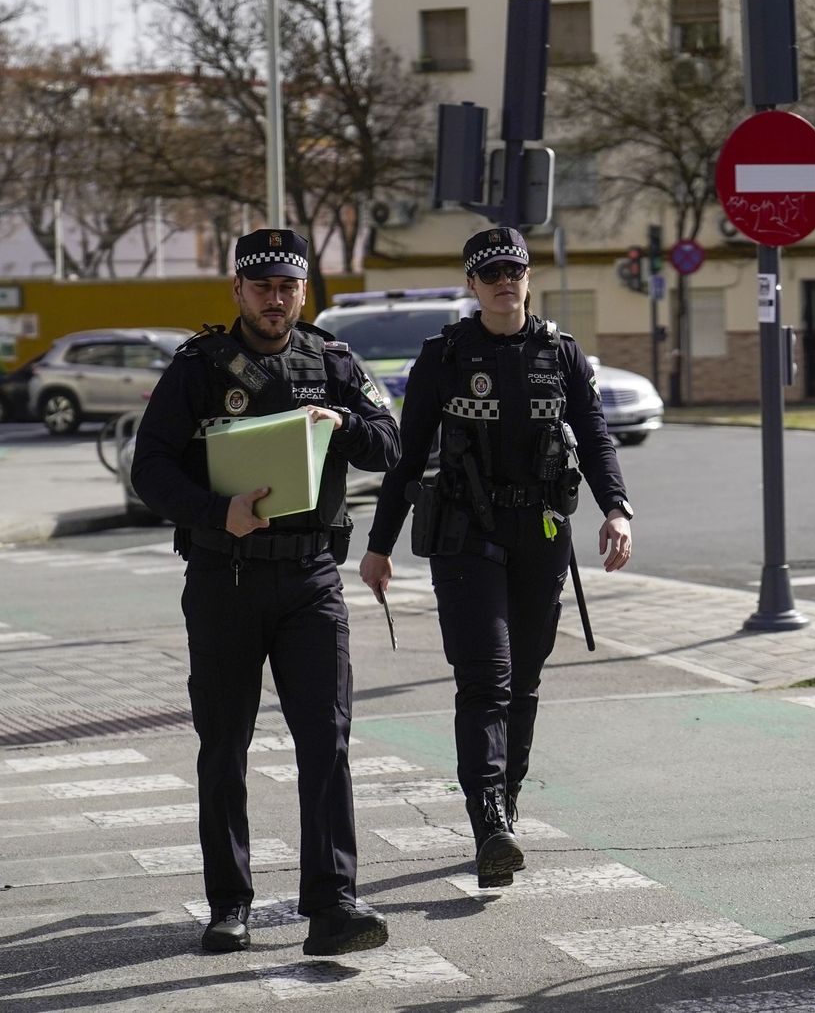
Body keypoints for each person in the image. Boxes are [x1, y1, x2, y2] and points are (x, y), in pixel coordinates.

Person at [131, 228, 401, 955]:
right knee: (224, 746)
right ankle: (230, 904)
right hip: (225, 577)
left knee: (327, 741)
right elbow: (149, 469)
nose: (275, 300)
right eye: (262, 287)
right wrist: (218, 512)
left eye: (287, 287)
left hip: (311, 578)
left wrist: (343, 422)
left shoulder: (334, 361)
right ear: (238, 292)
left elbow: (389, 441)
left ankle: (333, 905)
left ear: (303, 291)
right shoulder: (199, 366)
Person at [359, 226, 633, 888]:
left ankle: (506, 806)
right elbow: (406, 453)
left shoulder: (561, 353)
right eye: (490, 274)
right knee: (488, 679)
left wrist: (617, 509)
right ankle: (488, 822)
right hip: (465, 535)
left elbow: (594, 437)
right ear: (472, 286)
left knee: (527, 682)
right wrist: (377, 544)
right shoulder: (445, 355)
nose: (504, 281)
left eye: (513, 270)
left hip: (541, 532)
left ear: (527, 278)